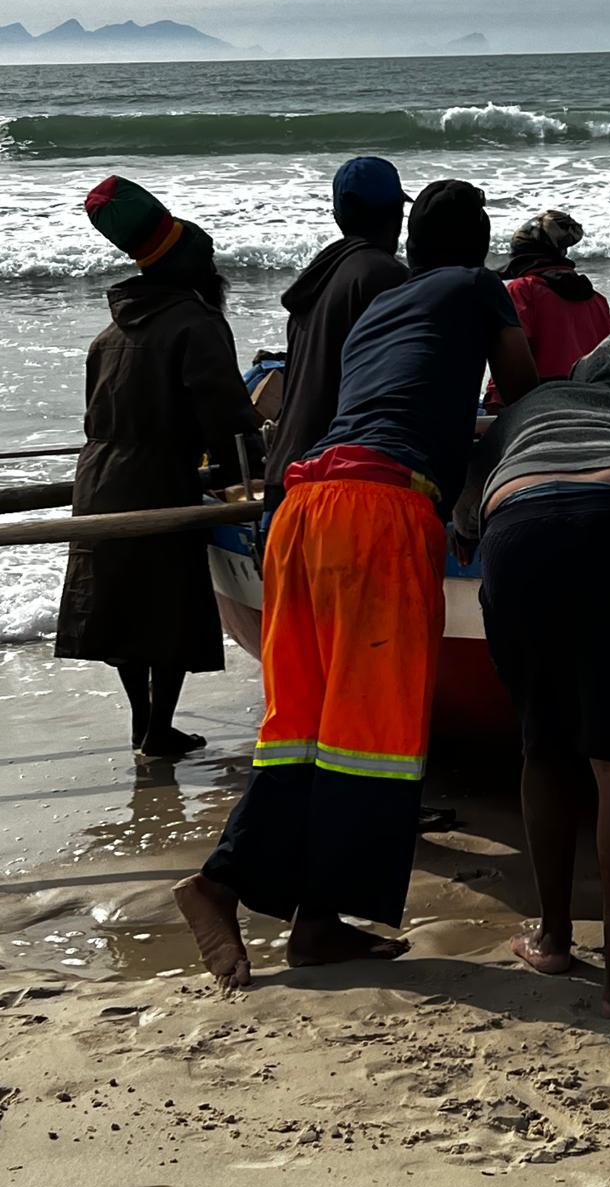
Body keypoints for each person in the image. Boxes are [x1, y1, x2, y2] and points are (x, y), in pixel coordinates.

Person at [174, 179, 538, 990]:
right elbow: (522, 389)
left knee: (305, 726)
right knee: (371, 736)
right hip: (382, 513)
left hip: (303, 510)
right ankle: (228, 885)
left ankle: (312, 924)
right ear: (479, 242)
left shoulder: (384, 305)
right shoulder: (478, 286)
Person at [455, 319, 610, 1020]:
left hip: (518, 524)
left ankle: (554, 937)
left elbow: (467, 519)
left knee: (543, 742)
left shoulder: (531, 409)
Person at [55, 177, 261, 757]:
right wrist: (243, 476)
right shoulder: (197, 324)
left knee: (123, 608)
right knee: (167, 607)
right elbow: (229, 421)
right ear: (196, 272)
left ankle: (143, 722)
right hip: (157, 480)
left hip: (96, 480)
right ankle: (159, 728)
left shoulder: (108, 335)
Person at [264, 156, 411, 514]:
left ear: (338, 216)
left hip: (284, 476)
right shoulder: (384, 276)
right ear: (395, 215)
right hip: (334, 481)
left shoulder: (318, 278)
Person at [484, 209, 610, 405]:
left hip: (538, 406)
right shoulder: (597, 301)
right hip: (591, 404)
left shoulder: (522, 290)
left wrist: (493, 404)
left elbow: (510, 363)